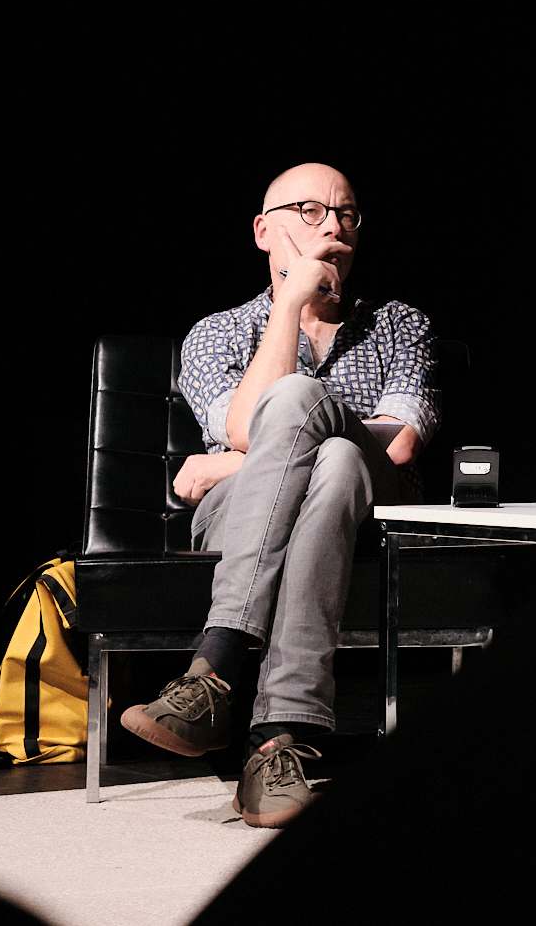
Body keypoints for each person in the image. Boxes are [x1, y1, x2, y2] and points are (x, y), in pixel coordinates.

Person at [119, 163, 438, 827]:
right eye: (311, 211)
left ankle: (215, 667)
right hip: (245, 513)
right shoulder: (216, 333)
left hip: (373, 512)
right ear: (265, 231)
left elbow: (400, 443)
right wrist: (290, 304)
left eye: (346, 214)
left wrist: (231, 462)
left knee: (321, 429)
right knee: (337, 457)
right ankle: (277, 740)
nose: (333, 227)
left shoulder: (399, 324)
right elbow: (243, 426)